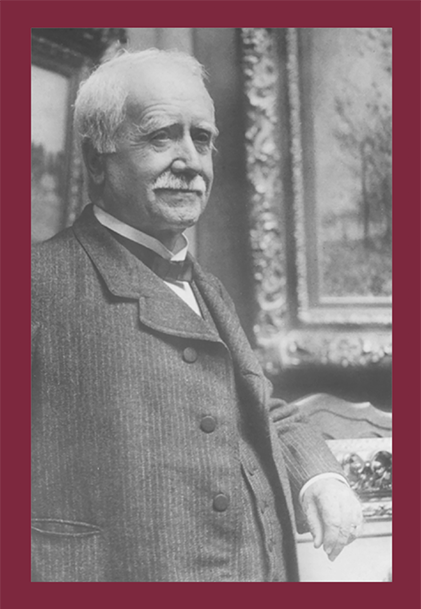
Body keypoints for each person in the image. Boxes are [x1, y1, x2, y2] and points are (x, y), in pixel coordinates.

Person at [31, 49, 362, 582]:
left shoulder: (208, 288)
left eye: (202, 139)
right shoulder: (35, 284)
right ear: (96, 160)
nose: (190, 161)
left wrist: (320, 477)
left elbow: (257, 408)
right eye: (161, 137)